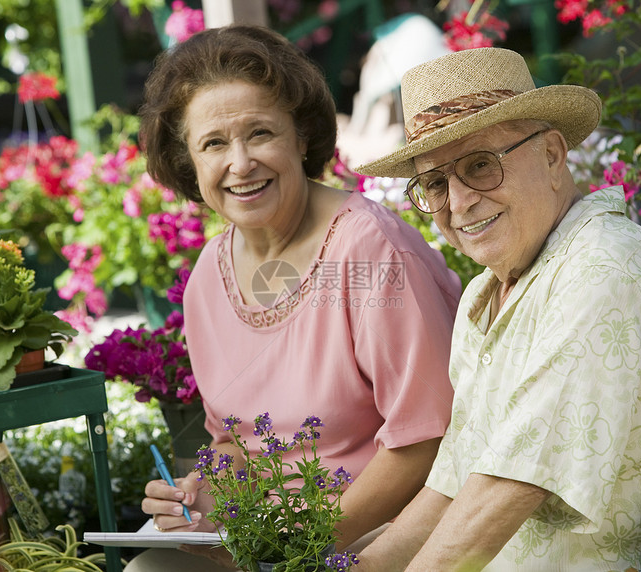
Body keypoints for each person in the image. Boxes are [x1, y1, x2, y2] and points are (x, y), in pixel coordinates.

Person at [351, 47, 641, 571]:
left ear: (553, 155)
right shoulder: (484, 296)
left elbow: (509, 487)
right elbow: (454, 485)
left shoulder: (603, 267)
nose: (459, 200)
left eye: (479, 166)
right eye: (435, 182)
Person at [125, 25, 461, 571]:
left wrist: (303, 544)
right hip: (269, 545)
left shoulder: (370, 248)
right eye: (213, 143)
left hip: (382, 536)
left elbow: (426, 443)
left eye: (260, 133)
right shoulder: (208, 275)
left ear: (301, 137)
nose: (240, 163)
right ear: (188, 162)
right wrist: (202, 495)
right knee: (146, 569)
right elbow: (234, 442)